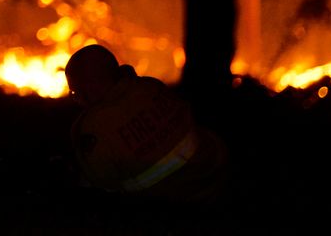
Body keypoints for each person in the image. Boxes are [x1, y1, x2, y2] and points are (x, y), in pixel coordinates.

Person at [62, 43, 227, 200]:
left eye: (75, 91)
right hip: (215, 173)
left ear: (90, 88)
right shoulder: (151, 87)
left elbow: (102, 185)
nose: (74, 99)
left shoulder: (94, 128)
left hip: (170, 204)